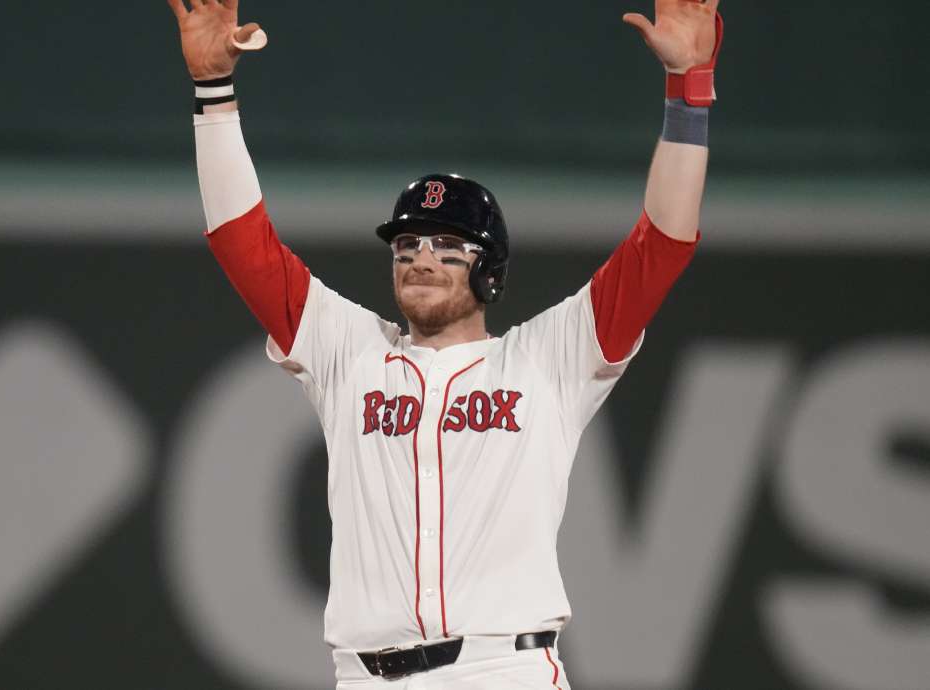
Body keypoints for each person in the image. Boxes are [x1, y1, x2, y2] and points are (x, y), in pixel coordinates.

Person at [165, 0, 723, 687]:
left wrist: (688, 90)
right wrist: (214, 96)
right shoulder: (350, 356)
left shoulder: (548, 359)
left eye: (447, 245)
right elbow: (241, 243)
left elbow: (662, 244)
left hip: (500, 669)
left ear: (489, 269)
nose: (421, 256)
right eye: (407, 243)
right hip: (365, 677)